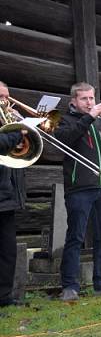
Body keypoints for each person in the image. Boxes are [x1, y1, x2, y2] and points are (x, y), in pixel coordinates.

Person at [54, 82, 101, 301]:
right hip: (80, 187)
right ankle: (69, 286)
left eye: (92, 98)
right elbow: (65, 139)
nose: (89, 102)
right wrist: (90, 116)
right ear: (74, 102)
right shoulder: (64, 120)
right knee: (75, 237)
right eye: (84, 99)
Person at [0, 81, 26, 307]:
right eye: (0, 96)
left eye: (7, 96)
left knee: (8, 252)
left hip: (6, 197)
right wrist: (19, 131)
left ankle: (4, 297)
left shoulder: (6, 119)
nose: (5, 101)